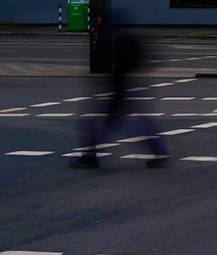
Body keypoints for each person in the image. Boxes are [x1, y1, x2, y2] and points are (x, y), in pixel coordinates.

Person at [71, 28, 166, 168]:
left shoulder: (116, 39)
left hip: (119, 92)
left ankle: (89, 158)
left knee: (92, 123)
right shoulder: (125, 38)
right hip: (126, 90)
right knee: (131, 127)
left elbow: (117, 69)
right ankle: (159, 150)